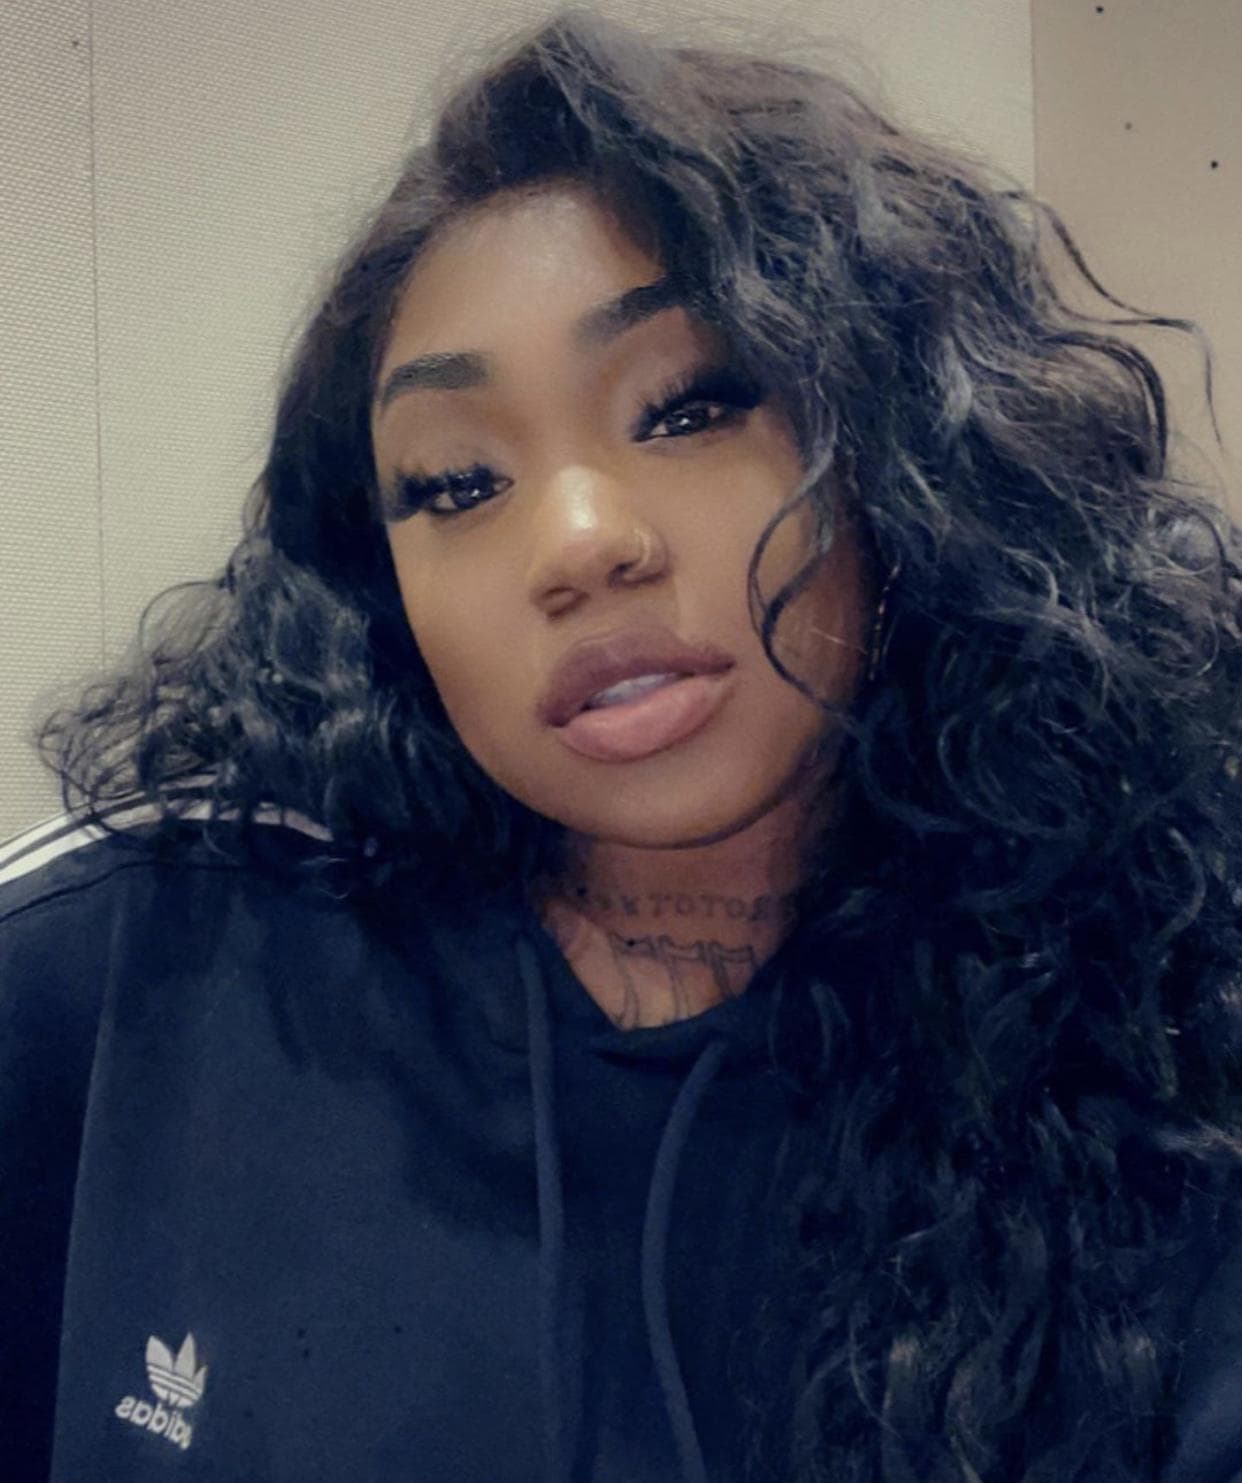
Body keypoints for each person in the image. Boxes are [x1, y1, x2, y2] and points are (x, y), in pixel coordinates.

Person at [2, 7, 1240, 1480]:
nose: (579, 543)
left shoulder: (1172, 1027)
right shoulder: (130, 969)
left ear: (902, 456)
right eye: (457, 483)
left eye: (690, 406)